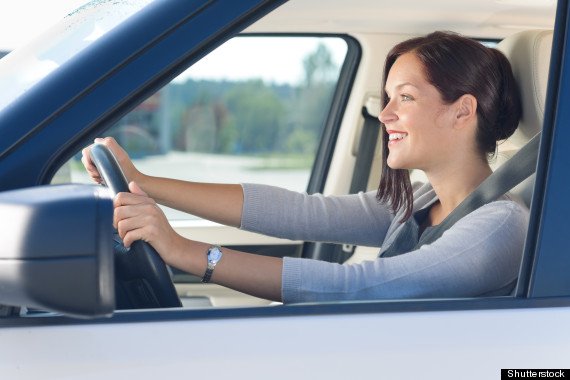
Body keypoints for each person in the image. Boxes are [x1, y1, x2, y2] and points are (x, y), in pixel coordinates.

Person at [82, 31, 529, 303]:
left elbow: (359, 287)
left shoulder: (499, 227)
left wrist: (182, 251)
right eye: (388, 97)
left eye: (405, 97)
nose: (386, 113)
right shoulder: (422, 199)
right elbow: (301, 211)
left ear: (462, 111)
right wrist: (144, 182)